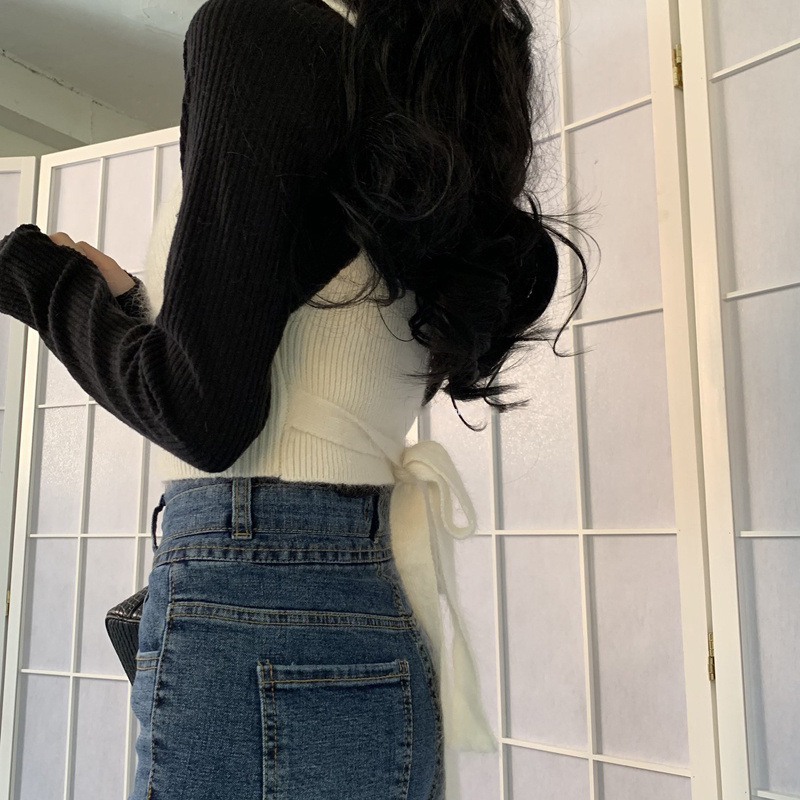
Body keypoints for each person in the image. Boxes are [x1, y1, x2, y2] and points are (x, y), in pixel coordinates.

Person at [0, 0, 588, 796]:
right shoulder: (417, 86)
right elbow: (310, 357)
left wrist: (44, 283)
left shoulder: (263, 30)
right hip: (364, 595)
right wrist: (134, 301)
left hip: (253, 593)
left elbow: (201, 413)